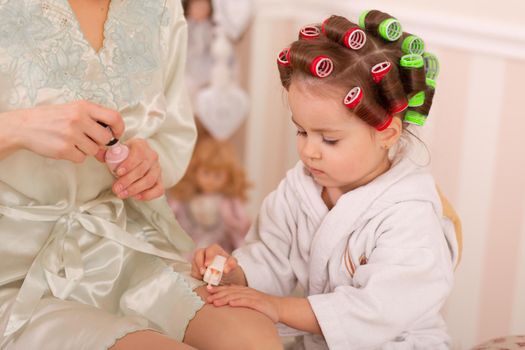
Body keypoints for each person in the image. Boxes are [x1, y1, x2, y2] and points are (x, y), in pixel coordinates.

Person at [0, 1, 282, 349]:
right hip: (13, 267)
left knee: (252, 339)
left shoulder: (159, 7)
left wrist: (148, 160)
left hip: (121, 243)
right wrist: (16, 128)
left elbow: (172, 137)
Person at [192, 11, 460, 350]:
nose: (309, 151)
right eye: (302, 131)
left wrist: (279, 308)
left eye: (329, 139)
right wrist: (234, 272)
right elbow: (272, 257)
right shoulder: (299, 189)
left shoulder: (410, 218)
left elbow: (375, 310)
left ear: (386, 133)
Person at [168, 137, 251, 254]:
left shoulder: (228, 202)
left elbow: (241, 226)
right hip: (189, 249)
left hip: (218, 250)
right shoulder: (186, 200)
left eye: (217, 175)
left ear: (228, 176)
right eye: (206, 173)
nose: (210, 180)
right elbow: (170, 217)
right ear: (195, 171)